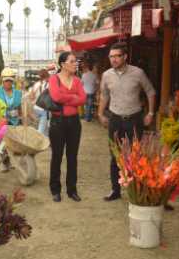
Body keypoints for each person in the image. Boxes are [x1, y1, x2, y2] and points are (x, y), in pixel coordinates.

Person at [98, 42, 156, 202]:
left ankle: (136, 190)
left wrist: (150, 113)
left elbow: (150, 91)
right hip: (115, 119)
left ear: (125, 57)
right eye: (111, 56)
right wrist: (100, 113)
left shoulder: (138, 73)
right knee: (114, 155)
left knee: (136, 155)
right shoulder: (106, 75)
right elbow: (104, 95)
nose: (114, 59)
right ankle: (115, 190)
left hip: (135, 119)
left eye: (117, 56)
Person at [48, 51, 86, 202]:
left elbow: (83, 99)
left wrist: (68, 99)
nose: (75, 63)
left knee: (72, 157)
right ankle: (55, 189)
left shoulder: (77, 80)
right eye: (72, 61)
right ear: (63, 64)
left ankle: (72, 190)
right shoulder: (54, 79)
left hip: (74, 122)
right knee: (57, 156)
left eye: (75, 61)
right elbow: (56, 97)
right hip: (58, 122)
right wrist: (73, 98)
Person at [31, 69, 51, 136]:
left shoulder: (36, 84)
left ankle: (46, 142)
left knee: (44, 127)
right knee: (41, 130)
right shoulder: (48, 84)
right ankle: (37, 143)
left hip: (35, 108)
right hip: (44, 109)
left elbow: (32, 96)